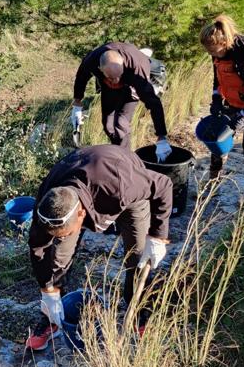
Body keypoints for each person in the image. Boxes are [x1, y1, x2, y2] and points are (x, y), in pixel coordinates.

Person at [26, 145, 172, 350]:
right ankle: (51, 319)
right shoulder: (49, 204)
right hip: (80, 176)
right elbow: (38, 247)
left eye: (67, 233)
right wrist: (47, 291)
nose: (62, 237)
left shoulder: (121, 186)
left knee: (138, 258)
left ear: (80, 214)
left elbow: (163, 185)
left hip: (123, 182)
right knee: (59, 256)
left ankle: (140, 315)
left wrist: (158, 236)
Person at [199, 15, 244, 185]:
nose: (209, 54)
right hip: (234, 101)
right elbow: (217, 79)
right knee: (217, 142)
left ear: (224, 43)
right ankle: (212, 186)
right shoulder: (217, 53)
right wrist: (216, 100)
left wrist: (243, 115)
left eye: (212, 50)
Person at [71, 41, 172, 162]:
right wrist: (77, 103)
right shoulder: (91, 61)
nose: (116, 80)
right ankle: (118, 152)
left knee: (121, 124)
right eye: (112, 78)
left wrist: (161, 136)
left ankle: (125, 160)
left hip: (131, 83)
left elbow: (153, 103)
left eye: (118, 76)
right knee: (108, 125)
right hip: (108, 87)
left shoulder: (137, 68)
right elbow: (81, 77)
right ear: (100, 69)